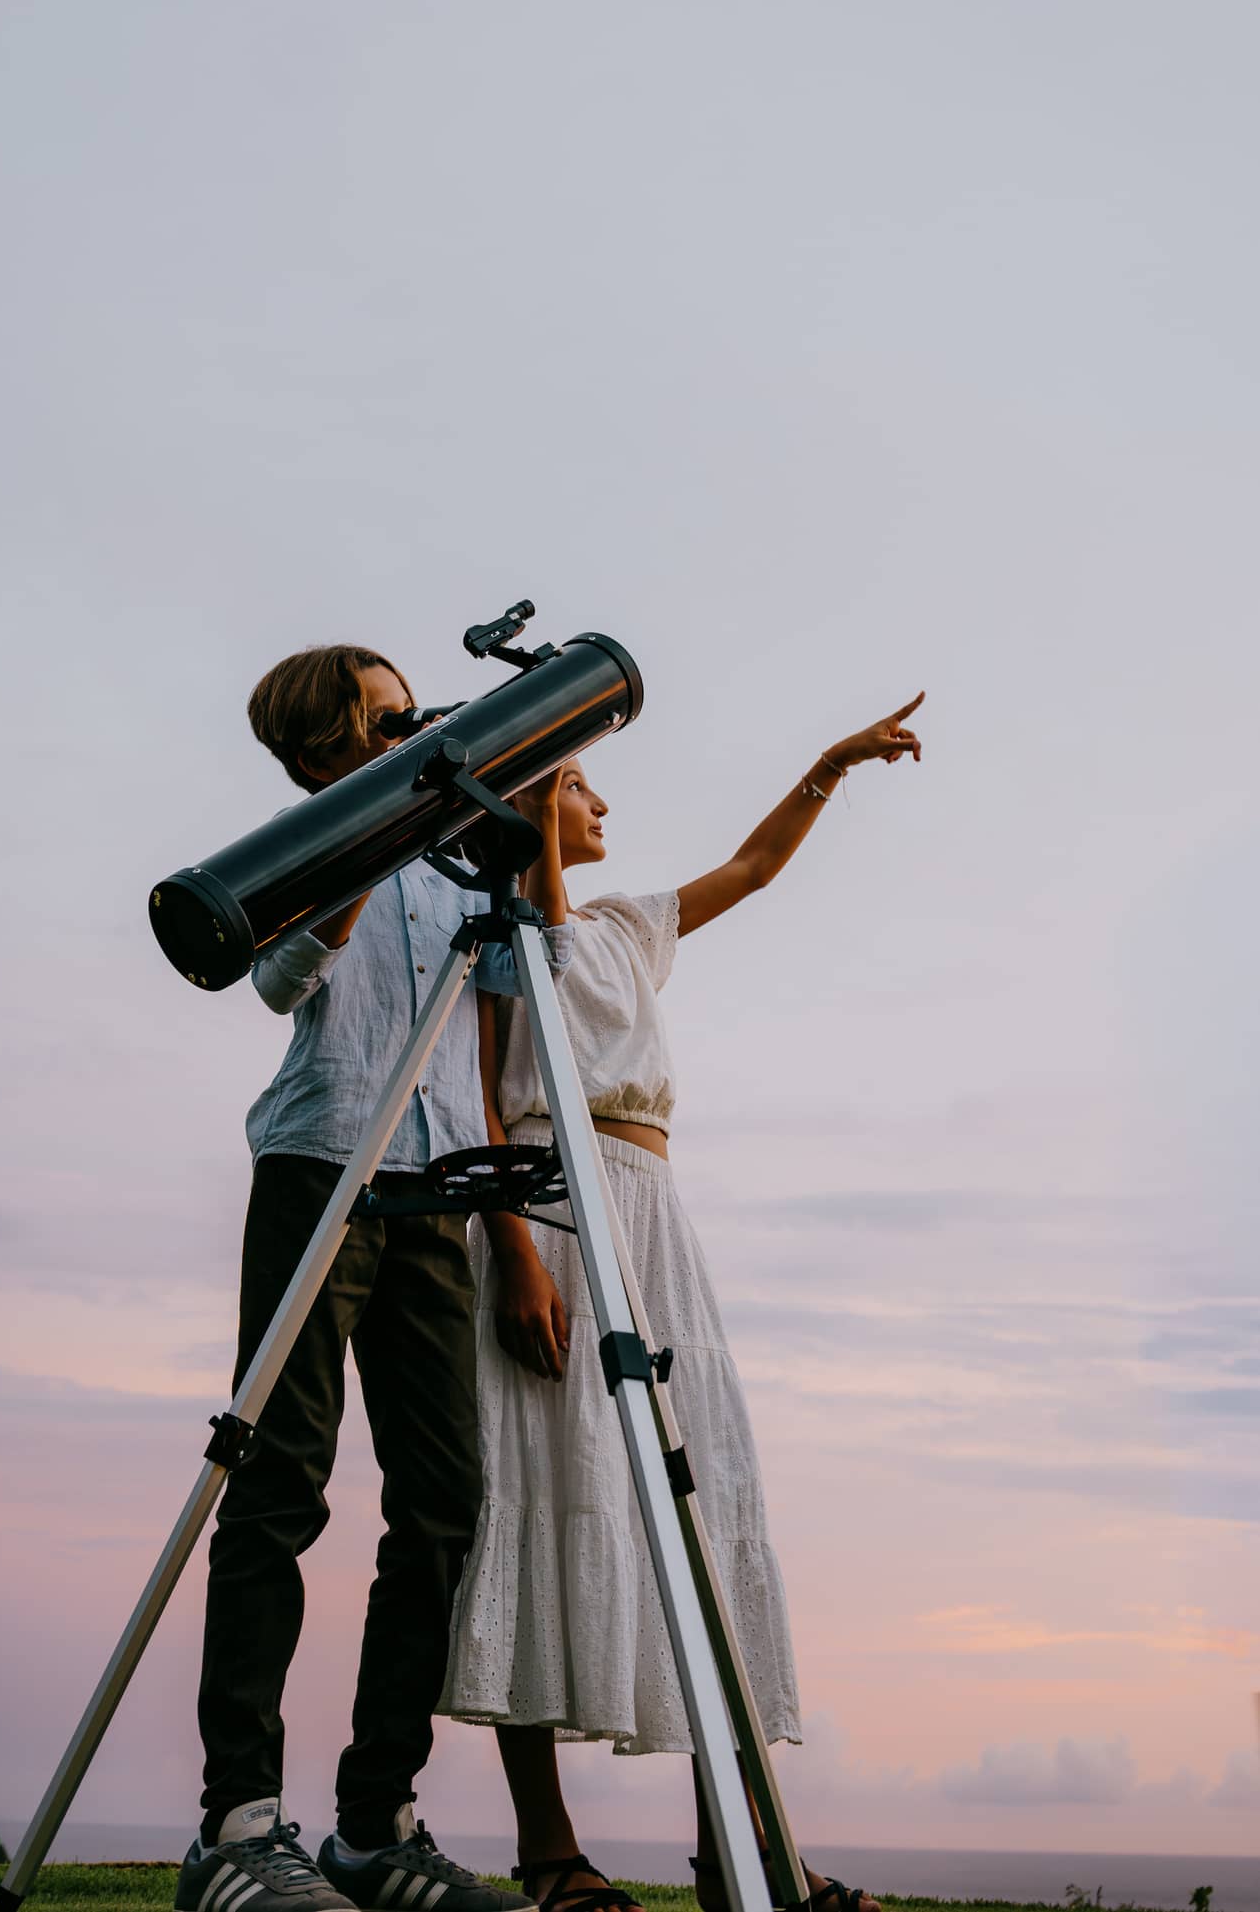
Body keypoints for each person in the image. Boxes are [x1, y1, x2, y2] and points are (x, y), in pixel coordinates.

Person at [439, 695, 926, 1912]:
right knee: (546, 1496)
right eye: (583, 789)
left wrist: (828, 765)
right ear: (543, 797)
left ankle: (743, 1849)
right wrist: (517, 1252)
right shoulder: (503, 938)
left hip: (655, 1207)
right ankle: (551, 1850)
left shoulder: (625, 925)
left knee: (694, 1509)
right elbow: (489, 1100)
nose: (606, 805)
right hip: (551, 1199)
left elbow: (753, 869)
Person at [176, 644, 574, 1912]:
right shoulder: (304, 843)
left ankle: (375, 1822)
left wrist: (525, 837)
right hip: (319, 1164)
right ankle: (238, 1825)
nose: (417, 727)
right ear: (320, 748)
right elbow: (280, 980)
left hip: (434, 1187)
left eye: (417, 711)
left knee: (445, 1498)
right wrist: (365, 851)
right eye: (389, 717)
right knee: (280, 1481)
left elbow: (535, 984)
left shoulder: (460, 843)